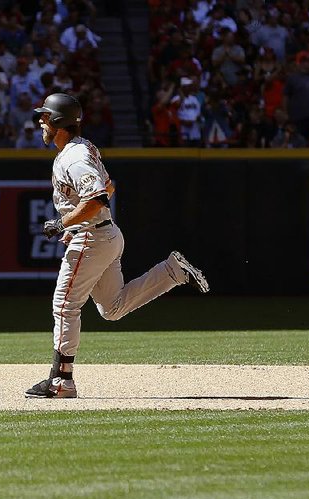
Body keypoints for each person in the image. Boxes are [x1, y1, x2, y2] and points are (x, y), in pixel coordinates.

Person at [25, 93, 209, 398]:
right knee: (112, 308)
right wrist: (76, 221)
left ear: (58, 121)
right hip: (105, 235)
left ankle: (61, 381)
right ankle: (172, 272)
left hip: (93, 238)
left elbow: (97, 198)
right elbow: (108, 187)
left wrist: (63, 223)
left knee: (65, 305)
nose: (40, 121)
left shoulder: (73, 156)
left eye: (45, 117)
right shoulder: (83, 149)